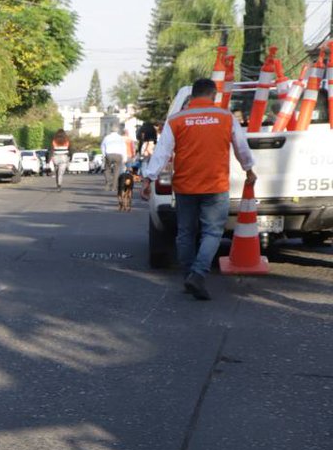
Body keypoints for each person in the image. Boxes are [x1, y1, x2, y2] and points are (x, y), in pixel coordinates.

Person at [141, 77, 256, 301]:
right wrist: (249, 169)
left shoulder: (176, 120)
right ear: (213, 96)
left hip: (185, 186)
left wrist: (148, 179)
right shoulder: (225, 117)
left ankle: (189, 276)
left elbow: (162, 153)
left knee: (185, 233)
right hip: (215, 185)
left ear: (192, 96)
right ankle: (198, 274)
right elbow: (241, 147)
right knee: (212, 232)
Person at [100, 126, 127, 191]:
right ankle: (114, 187)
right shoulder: (120, 138)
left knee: (107, 169)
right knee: (117, 171)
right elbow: (124, 148)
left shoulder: (106, 137)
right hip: (118, 155)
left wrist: (104, 154)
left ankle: (107, 185)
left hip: (109, 154)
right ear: (117, 131)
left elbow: (102, 146)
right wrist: (124, 157)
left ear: (111, 131)